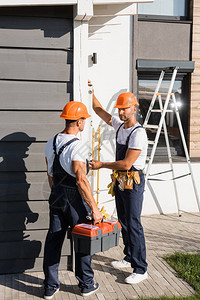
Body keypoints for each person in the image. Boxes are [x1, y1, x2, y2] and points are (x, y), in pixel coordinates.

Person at [43, 101, 103, 299]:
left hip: (56, 195)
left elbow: (51, 175)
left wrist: (57, 197)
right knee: (83, 239)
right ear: (78, 121)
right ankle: (86, 284)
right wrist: (94, 208)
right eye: (84, 119)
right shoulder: (77, 146)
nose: (85, 122)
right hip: (73, 198)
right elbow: (81, 180)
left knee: (54, 239)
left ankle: (50, 286)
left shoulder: (50, 143)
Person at [90, 88, 148, 284]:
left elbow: (126, 164)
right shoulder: (120, 126)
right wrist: (92, 91)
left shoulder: (138, 133)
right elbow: (98, 110)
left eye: (125, 109)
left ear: (134, 108)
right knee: (123, 220)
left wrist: (101, 165)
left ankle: (141, 268)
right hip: (121, 179)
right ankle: (129, 256)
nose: (121, 112)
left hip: (133, 179)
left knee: (133, 223)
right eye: (119, 109)